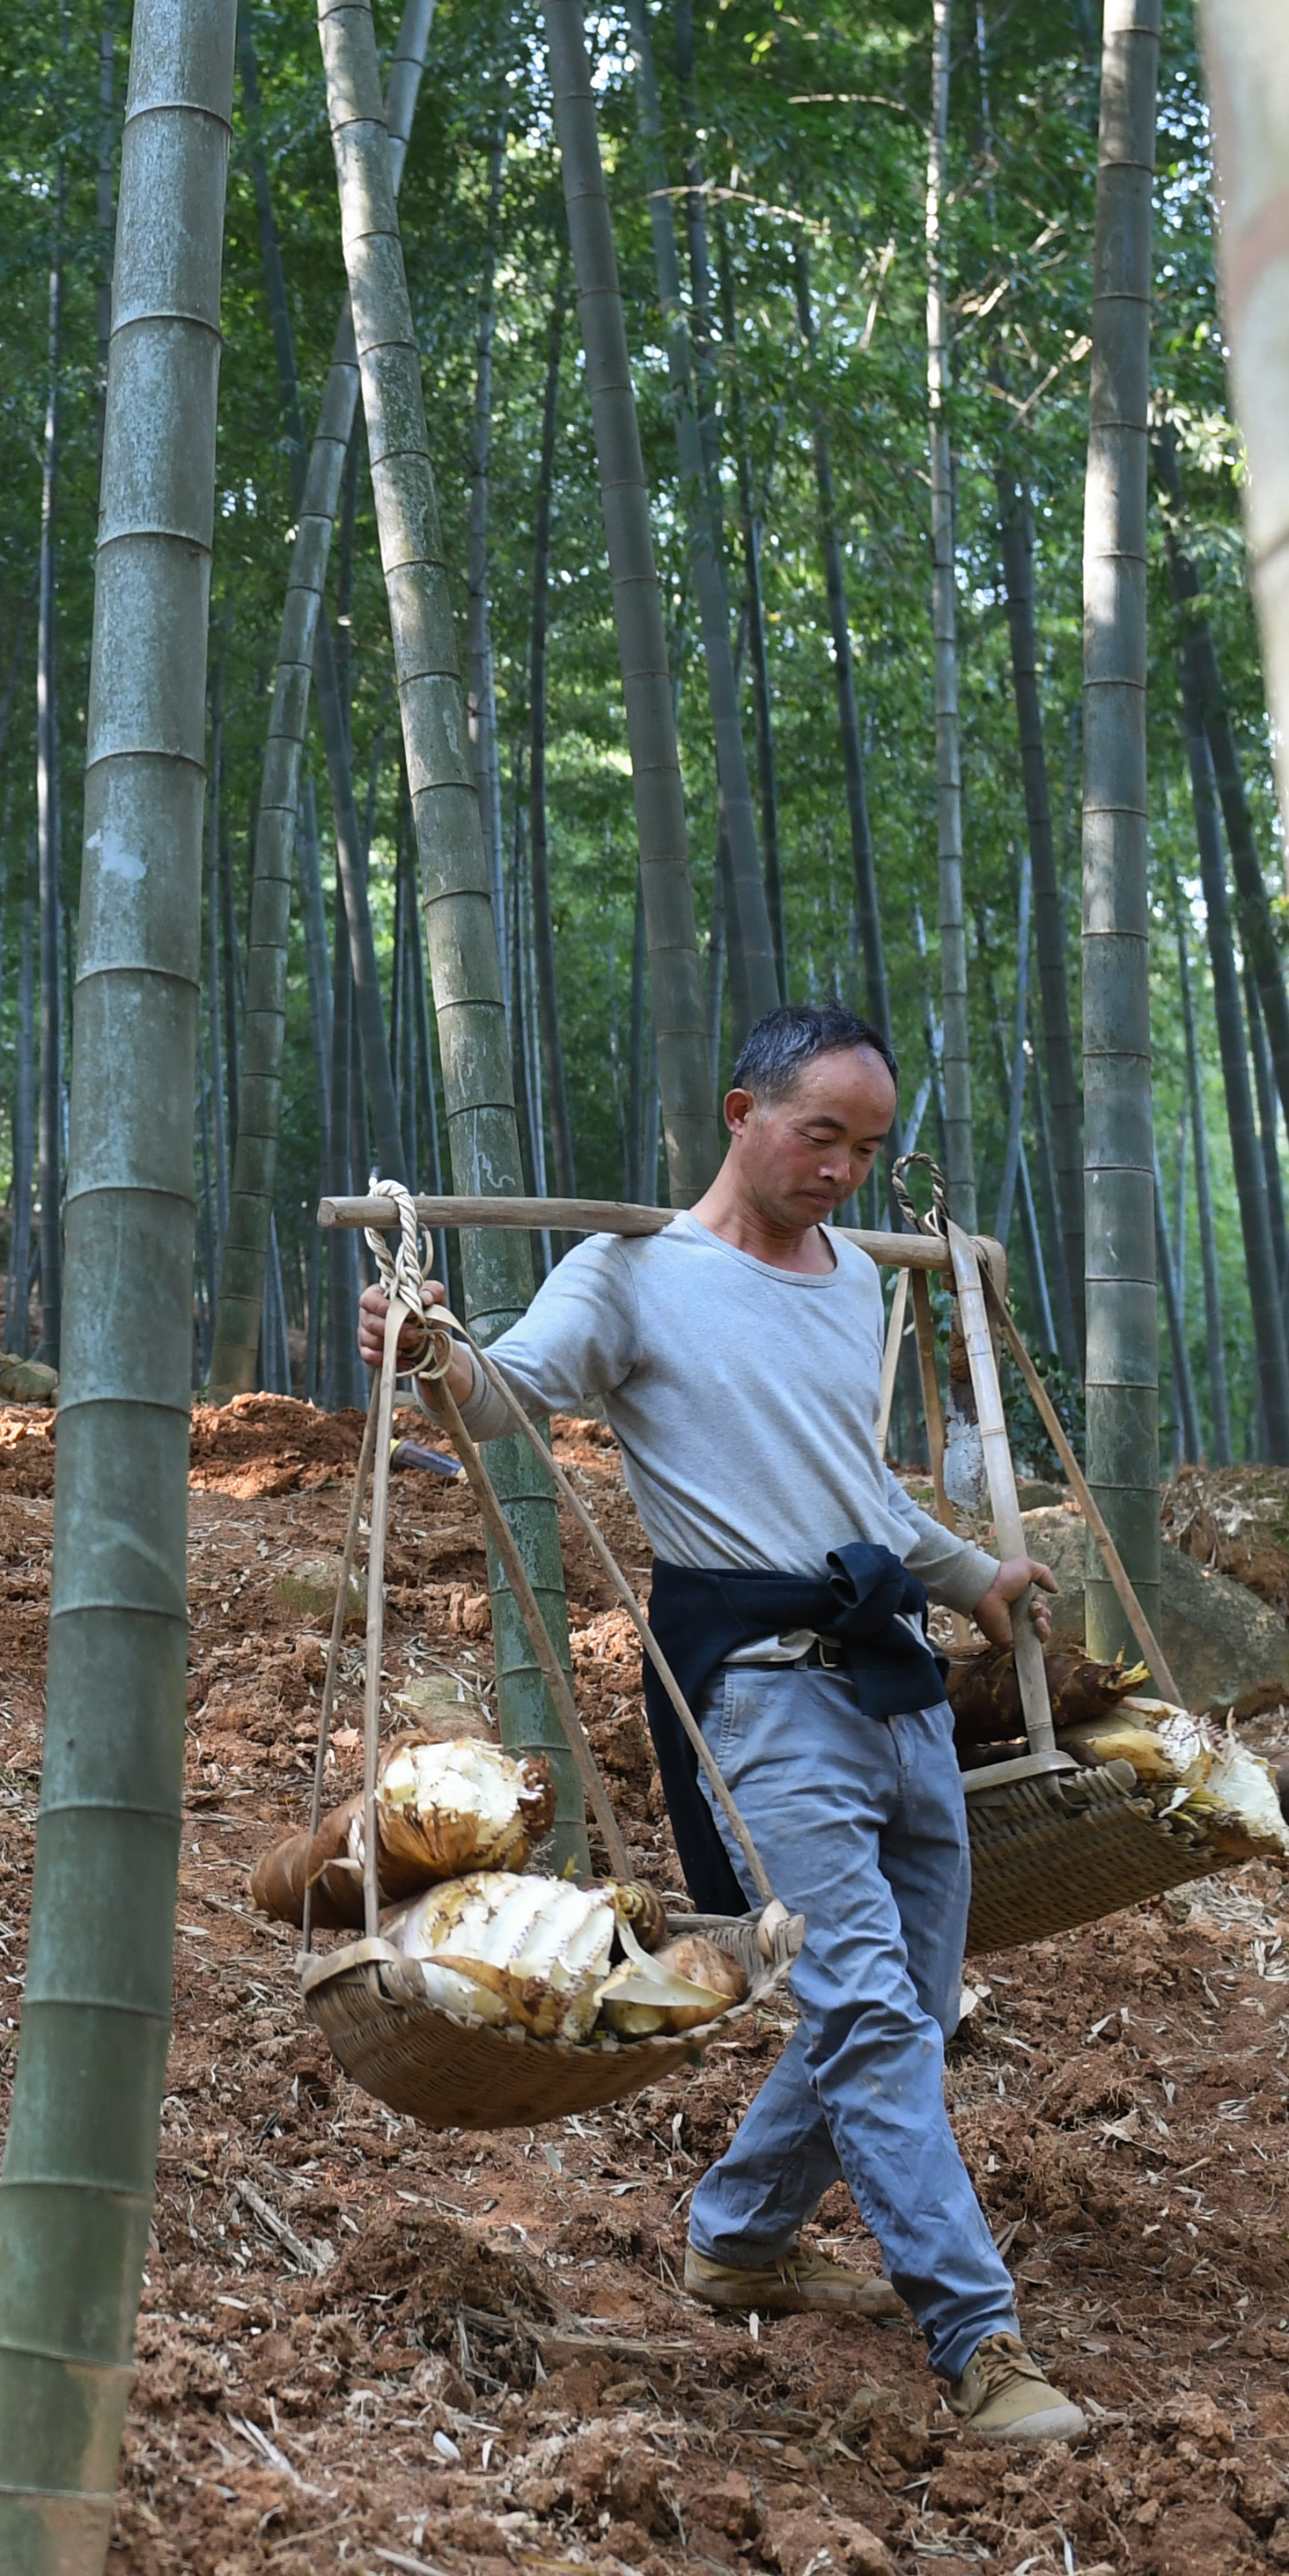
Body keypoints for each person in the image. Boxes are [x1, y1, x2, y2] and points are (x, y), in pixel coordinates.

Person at [357, 1001, 1087, 2446]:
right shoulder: (631, 1271)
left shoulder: (843, 1283)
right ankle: (978, 2338)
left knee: (905, 2006)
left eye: (869, 1149)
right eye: (820, 1134)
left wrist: (979, 1580)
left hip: (894, 1679)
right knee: (868, 2004)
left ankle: (741, 2236)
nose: (841, 1171)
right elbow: (506, 1394)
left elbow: (859, 1494)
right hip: (752, 1688)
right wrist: (425, 1346)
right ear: (741, 1110)